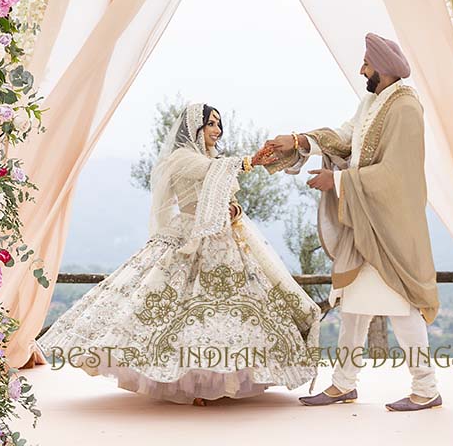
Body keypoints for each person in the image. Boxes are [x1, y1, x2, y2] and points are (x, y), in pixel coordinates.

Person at [35, 102, 321, 405]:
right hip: (188, 235)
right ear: (193, 127)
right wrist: (251, 161)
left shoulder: (214, 158)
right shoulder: (182, 158)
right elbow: (210, 173)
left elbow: (225, 193)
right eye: (210, 123)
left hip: (224, 238)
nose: (217, 130)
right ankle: (193, 385)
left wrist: (234, 208)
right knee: (183, 310)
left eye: (219, 124)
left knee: (223, 312)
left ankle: (222, 381)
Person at [256, 33, 442, 412]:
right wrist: (297, 141)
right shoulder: (373, 102)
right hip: (364, 222)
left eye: (367, 65)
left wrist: (338, 181)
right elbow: (344, 139)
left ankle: (426, 388)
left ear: (385, 68)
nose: (362, 70)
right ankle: (343, 384)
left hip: (388, 227)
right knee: (354, 306)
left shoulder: (406, 109)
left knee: (401, 307)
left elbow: (398, 174)